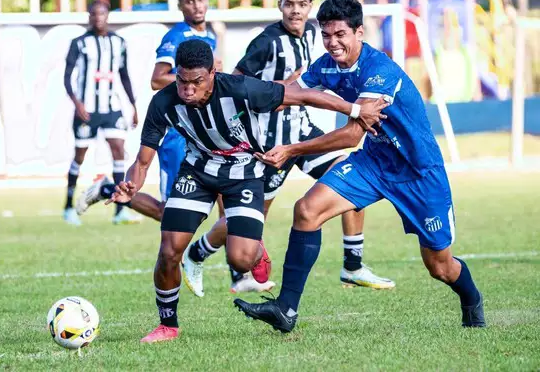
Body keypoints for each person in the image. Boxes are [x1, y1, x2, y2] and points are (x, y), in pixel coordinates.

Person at [75, 39, 388, 342]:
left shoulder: (241, 89)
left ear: (213, 74)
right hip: (197, 172)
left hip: (244, 173)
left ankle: (252, 247)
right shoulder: (164, 102)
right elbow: (142, 161)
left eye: (196, 82)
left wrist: (355, 111)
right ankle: (167, 325)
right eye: (182, 81)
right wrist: (133, 183)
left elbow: (303, 96)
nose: (188, 90)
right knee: (169, 250)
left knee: (241, 261)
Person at [234, 0, 486, 332]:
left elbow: (352, 135)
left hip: (418, 171)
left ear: (359, 33)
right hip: (374, 163)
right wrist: (237, 92)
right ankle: (285, 310)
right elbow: (287, 94)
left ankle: (471, 299)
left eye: (340, 34)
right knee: (307, 210)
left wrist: (291, 149)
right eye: (326, 35)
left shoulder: (379, 72)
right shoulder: (325, 65)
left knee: (439, 267)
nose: (333, 43)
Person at [181, 0, 395, 297]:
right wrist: (284, 87)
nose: (295, 10)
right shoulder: (267, 42)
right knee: (248, 220)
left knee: (350, 178)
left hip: (302, 133)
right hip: (269, 143)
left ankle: (352, 265)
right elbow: (233, 84)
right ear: (279, 6)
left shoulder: (313, 34)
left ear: (310, 7)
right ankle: (197, 253)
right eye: (289, 4)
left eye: (302, 4)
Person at [122, 0, 219, 222]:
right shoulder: (176, 37)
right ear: (180, 6)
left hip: (204, 131)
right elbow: (157, 80)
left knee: (223, 194)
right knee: (170, 210)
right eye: (190, 1)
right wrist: (196, 82)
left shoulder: (210, 36)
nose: (197, 5)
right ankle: (109, 189)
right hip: (178, 133)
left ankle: (219, 243)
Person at [62, 0, 139, 226]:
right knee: (80, 156)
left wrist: (133, 106)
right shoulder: (79, 43)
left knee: (119, 150)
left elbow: (124, 75)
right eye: (94, 14)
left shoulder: (119, 42)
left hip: (111, 108)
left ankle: (120, 210)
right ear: (89, 17)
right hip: (87, 110)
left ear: (108, 16)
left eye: (102, 13)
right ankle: (68, 207)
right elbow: (67, 77)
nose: (98, 18)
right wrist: (77, 103)